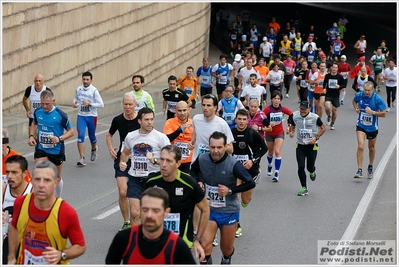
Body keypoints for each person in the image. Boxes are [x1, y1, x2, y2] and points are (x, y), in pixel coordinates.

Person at [190, 131, 256, 264]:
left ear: (226, 147)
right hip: (209, 210)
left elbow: (251, 183)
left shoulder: (233, 164)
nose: (215, 151)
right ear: (208, 146)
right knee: (205, 246)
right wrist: (198, 181)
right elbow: (193, 170)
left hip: (228, 212)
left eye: (219, 147)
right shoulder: (202, 158)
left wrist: (230, 190)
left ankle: (226, 259)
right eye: (212, 147)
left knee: (226, 249)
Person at [7, 160, 86, 264]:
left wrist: (61, 254)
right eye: (37, 179)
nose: (41, 185)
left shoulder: (66, 212)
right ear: (31, 181)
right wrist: (12, 256)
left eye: (47, 180)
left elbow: (80, 246)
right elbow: (14, 226)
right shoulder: (20, 203)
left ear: (56, 182)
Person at [146, 145, 209, 261]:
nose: (164, 164)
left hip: (181, 243)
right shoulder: (151, 181)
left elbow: (205, 209)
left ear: (178, 164)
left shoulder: (189, 183)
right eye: (162, 159)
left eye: (169, 161)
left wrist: (198, 239)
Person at [105, 187, 196, 264]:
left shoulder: (177, 245)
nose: (149, 215)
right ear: (140, 209)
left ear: (166, 212)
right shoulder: (124, 238)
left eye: (155, 211)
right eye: (145, 210)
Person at [119, 107, 170, 225]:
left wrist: (154, 160)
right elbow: (125, 153)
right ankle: (136, 241)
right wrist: (123, 162)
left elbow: (170, 160)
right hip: (135, 178)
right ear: (139, 121)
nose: (150, 122)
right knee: (134, 213)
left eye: (151, 119)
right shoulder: (131, 136)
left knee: (154, 213)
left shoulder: (161, 138)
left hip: (153, 178)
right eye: (146, 119)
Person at [28, 90, 74, 198]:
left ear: (54, 101)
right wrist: (31, 136)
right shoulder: (38, 111)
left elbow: (71, 131)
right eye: (42, 103)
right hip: (41, 148)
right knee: (39, 173)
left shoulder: (61, 115)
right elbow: (34, 123)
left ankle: (58, 198)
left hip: (56, 150)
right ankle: (39, 198)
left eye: (47, 104)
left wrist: (59, 138)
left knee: (56, 177)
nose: (44, 106)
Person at [106, 92, 140, 231]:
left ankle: (139, 214)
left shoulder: (141, 119)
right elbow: (109, 135)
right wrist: (110, 149)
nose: (127, 107)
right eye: (125, 104)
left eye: (130, 104)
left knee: (140, 192)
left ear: (135, 105)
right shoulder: (118, 120)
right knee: (122, 192)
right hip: (122, 158)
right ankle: (126, 221)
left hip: (139, 159)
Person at [231, 109, 268, 238]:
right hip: (235, 170)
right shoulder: (231, 133)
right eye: (239, 119)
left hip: (250, 169)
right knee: (235, 196)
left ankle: (258, 172)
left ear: (247, 120)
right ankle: (237, 225)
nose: (241, 122)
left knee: (245, 200)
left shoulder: (252, 133)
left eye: (244, 119)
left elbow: (264, 148)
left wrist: (253, 161)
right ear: (235, 120)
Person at [287, 101, 326, 196]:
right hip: (300, 146)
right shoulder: (295, 116)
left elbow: (323, 128)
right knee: (300, 166)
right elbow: (292, 126)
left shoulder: (315, 117)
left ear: (309, 109)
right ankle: (304, 187)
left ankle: (312, 171)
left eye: (304, 109)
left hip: (312, 146)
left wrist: (315, 137)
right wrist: (291, 132)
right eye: (301, 108)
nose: (302, 111)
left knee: (309, 167)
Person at [2, 155, 33, 265]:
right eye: (8, 172)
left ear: (24, 173)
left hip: (27, 243)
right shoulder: (3, 189)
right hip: (6, 241)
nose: (9, 176)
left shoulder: (33, 192)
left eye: (14, 172)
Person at [352, 82, 387, 179]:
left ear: (373, 90)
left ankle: (370, 166)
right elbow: (354, 101)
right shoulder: (360, 95)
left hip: (372, 127)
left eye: (368, 90)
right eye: (365, 90)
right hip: (361, 125)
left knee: (371, 148)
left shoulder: (377, 99)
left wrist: (373, 112)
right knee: (360, 146)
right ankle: (359, 170)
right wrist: (356, 108)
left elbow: (384, 113)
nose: (366, 92)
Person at [72, 71, 104, 166]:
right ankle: (82, 158)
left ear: (91, 80)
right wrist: (74, 103)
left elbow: (101, 104)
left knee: (92, 136)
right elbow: (75, 99)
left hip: (91, 116)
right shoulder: (78, 89)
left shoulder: (94, 91)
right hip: (81, 116)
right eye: (84, 79)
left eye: (87, 79)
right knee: (80, 135)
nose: (85, 81)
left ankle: (94, 148)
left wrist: (90, 104)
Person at [263, 91, 292, 182]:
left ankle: (276, 172)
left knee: (277, 151)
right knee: (270, 152)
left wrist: (289, 125)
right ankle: (270, 164)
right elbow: (262, 119)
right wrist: (268, 124)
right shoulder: (267, 110)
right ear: (271, 99)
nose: (276, 101)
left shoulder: (282, 109)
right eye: (275, 98)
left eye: (278, 99)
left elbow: (291, 114)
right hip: (269, 134)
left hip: (279, 133)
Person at [163, 101, 195, 173]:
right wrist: (180, 129)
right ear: (175, 111)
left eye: (184, 110)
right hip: (174, 160)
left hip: (189, 160)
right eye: (179, 111)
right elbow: (167, 138)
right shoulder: (170, 122)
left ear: (188, 110)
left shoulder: (193, 123)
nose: (182, 113)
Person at [323, 62, 346, 130]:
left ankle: (332, 123)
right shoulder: (327, 76)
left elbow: (344, 85)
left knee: (334, 111)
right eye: (333, 67)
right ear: (331, 68)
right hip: (328, 94)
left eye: (336, 68)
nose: (334, 69)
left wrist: (339, 86)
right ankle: (328, 116)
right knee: (327, 107)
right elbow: (324, 82)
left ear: (337, 69)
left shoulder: (340, 77)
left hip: (336, 95)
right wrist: (324, 88)